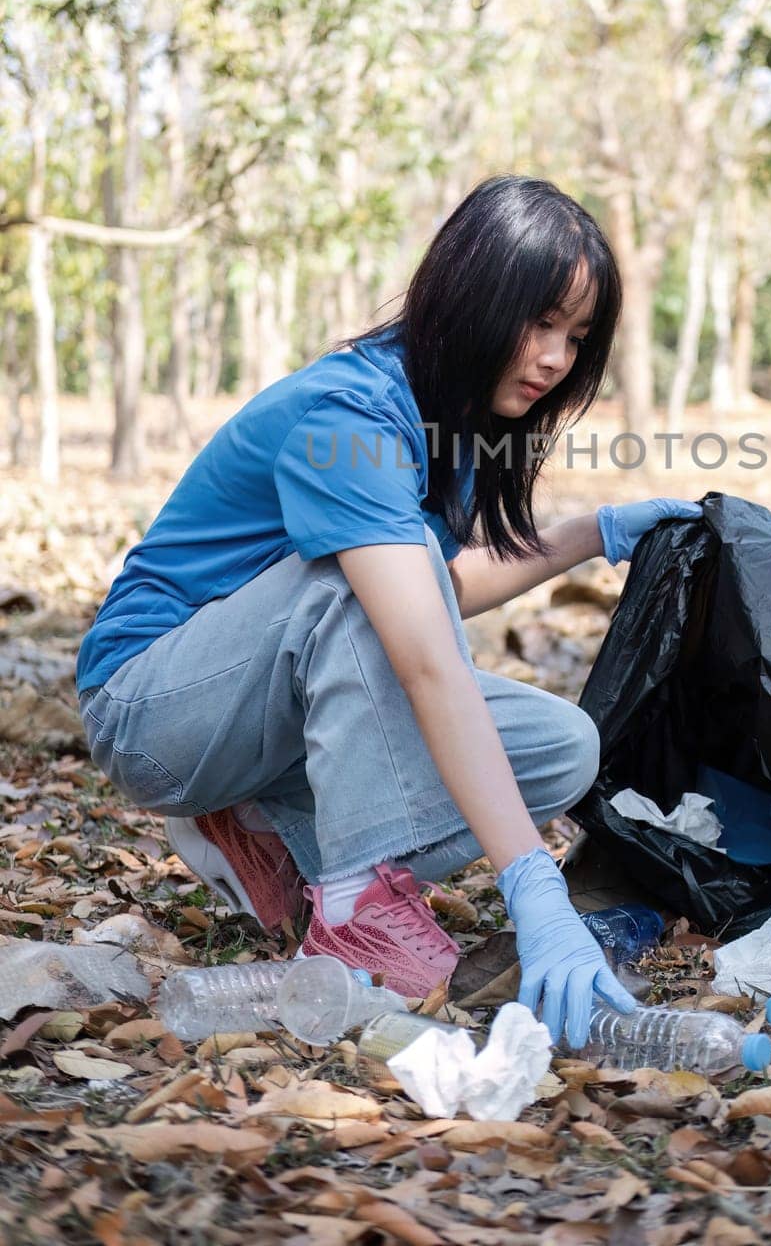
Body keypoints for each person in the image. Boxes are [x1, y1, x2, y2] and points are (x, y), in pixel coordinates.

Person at [75, 174, 704, 1049]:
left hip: (260, 708)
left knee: (562, 749)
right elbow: (420, 655)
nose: (557, 358)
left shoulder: (438, 420)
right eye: (540, 321)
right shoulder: (353, 416)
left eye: (576, 335)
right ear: (473, 294)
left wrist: (593, 532)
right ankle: (353, 902)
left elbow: (442, 590)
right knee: (357, 588)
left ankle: (266, 830)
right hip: (154, 709)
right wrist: (532, 884)